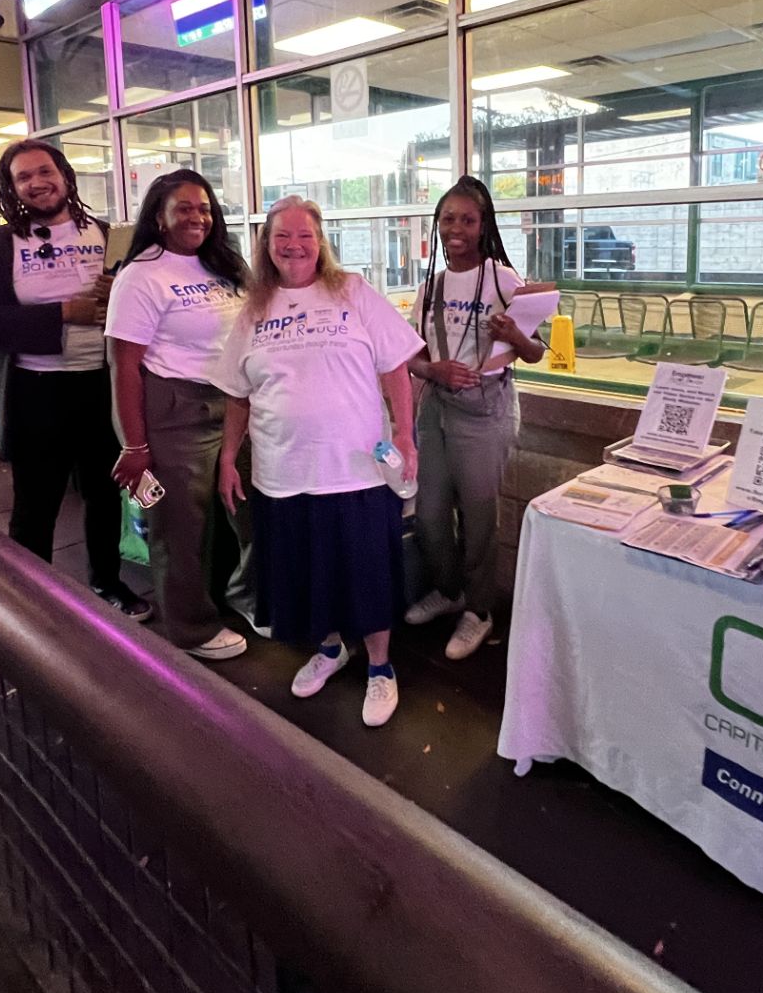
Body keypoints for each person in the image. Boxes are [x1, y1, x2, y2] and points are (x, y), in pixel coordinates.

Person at [216, 197, 422, 727]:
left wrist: (405, 435)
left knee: (367, 571)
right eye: (282, 236)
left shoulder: (352, 291)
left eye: (304, 235)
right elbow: (237, 395)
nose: (294, 245)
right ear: (266, 245)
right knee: (305, 572)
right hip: (282, 473)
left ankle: (380, 667)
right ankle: (331, 649)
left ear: (320, 241)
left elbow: (396, 369)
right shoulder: (255, 308)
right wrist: (227, 458)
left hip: (356, 469)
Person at [0, 139, 145, 620]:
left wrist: (121, 293)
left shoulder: (109, 237)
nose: (37, 183)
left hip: (101, 386)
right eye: (23, 177)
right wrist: (64, 312)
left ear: (65, 175)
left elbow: (145, 304)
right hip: (35, 392)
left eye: (45, 171)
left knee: (104, 495)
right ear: (11, 188)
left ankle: (106, 582)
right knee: (35, 503)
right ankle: (30, 598)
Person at [106, 169, 251, 661]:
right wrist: (134, 446)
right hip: (174, 411)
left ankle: (234, 597)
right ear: (159, 217)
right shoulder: (141, 275)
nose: (197, 217)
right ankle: (191, 630)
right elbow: (123, 366)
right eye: (184, 208)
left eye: (205, 208)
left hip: (232, 405)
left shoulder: (223, 264)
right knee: (178, 527)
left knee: (242, 511)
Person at [402, 175, 545, 661]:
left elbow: (536, 352)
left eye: (467, 220)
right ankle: (450, 590)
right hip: (436, 406)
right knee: (429, 515)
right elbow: (413, 355)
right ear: (437, 224)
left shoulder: (505, 280)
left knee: (479, 517)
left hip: (486, 409)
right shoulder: (432, 285)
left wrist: (514, 335)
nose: (456, 229)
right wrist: (432, 370)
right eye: (448, 219)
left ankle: (479, 610)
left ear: (483, 226)